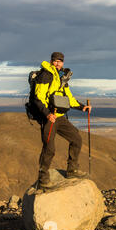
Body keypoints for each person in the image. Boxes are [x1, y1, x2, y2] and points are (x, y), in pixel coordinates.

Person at [33, 52, 92, 189]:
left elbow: (69, 98)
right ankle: (43, 178)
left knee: (76, 139)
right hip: (49, 118)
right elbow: (38, 98)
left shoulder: (62, 78)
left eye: (60, 61)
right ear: (51, 61)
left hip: (59, 117)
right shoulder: (46, 75)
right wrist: (47, 114)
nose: (58, 63)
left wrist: (83, 107)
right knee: (49, 148)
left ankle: (72, 171)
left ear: (63, 63)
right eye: (55, 61)